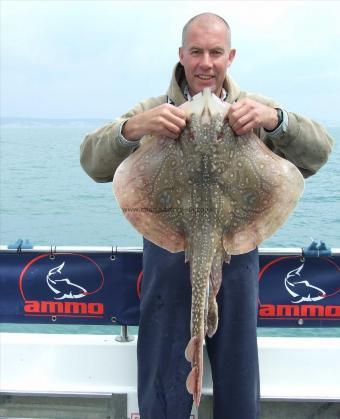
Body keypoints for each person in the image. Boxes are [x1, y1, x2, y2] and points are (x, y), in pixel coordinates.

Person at [80, 13, 333, 419]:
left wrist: (277, 121)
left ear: (230, 57)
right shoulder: (152, 110)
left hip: (235, 258)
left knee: (238, 375)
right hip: (167, 262)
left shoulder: (255, 109)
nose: (205, 63)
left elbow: (318, 153)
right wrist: (131, 128)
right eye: (195, 52)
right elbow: (92, 162)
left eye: (215, 52)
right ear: (181, 55)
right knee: (162, 382)